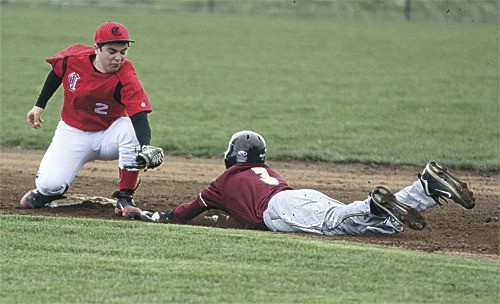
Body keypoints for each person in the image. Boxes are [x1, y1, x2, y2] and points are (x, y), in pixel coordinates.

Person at [141, 130, 476, 235]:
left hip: (280, 209)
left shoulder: (222, 183)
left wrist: (161, 216)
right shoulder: (267, 171)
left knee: (337, 224)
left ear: (233, 156)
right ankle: (426, 189)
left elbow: (186, 212)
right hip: (297, 195)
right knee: (385, 228)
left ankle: (373, 202)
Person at [20, 21, 160, 219]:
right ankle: (47, 193)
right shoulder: (73, 58)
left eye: (123, 51)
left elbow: (138, 114)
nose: (118, 57)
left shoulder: (126, 74)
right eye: (112, 51)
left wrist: (146, 146)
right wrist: (39, 105)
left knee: (130, 129)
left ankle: (125, 197)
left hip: (108, 133)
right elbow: (56, 73)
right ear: (97, 48)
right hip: (72, 132)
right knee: (49, 185)